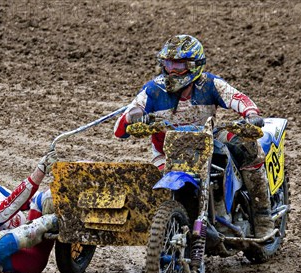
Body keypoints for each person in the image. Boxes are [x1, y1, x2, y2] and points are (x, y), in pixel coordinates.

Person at [114, 34, 273, 238]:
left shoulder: (210, 83)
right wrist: (134, 115)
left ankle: (262, 215)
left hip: (209, 139)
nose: (171, 70)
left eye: (179, 66)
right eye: (168, 63)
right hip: (167, 153)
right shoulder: (153, 89)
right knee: (150, 191)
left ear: (194, 65)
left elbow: (238, 98)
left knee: (248, 145)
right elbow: (120, 128)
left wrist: (251, 114)